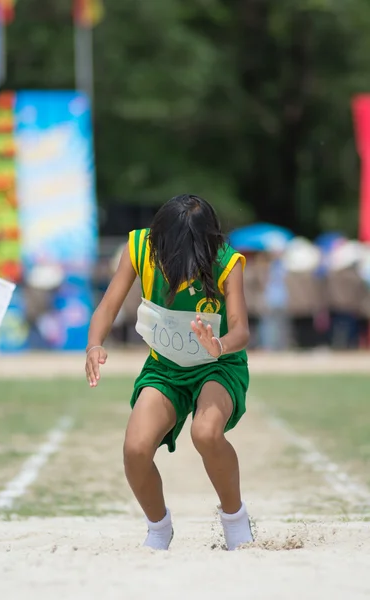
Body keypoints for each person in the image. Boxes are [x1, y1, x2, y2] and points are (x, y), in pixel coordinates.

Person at [85, 194, 253, 551]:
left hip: (217, 364)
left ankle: (235, 518)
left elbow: (241, 330)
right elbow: (108, 305)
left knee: (206, 433)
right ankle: (159, 526)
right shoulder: (138, 248)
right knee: (135, 449)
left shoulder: (227, 261)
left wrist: (219, 345)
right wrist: (94, 344)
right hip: (165, 368)